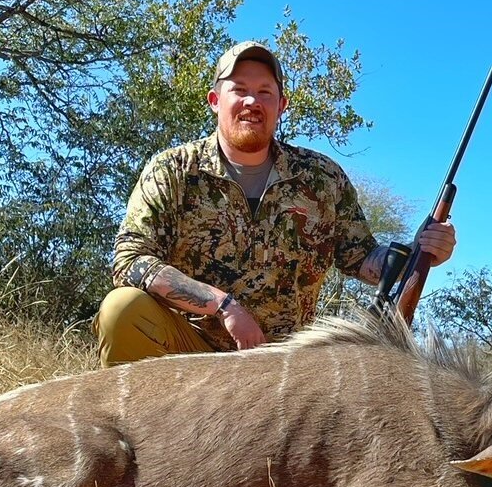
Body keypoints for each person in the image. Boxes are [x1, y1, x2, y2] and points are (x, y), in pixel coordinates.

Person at [94, 40, 456, 367]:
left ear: (281, 105)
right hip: (189, 354)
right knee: (121, 310)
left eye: (265, 92)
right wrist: (224, 306)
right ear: (215, 100)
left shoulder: (322, 178)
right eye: (240, 90)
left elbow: (361, 257)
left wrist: (419, 250)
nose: (253, 101)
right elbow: (130, 262)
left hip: (288, 366)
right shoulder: (172, 170)